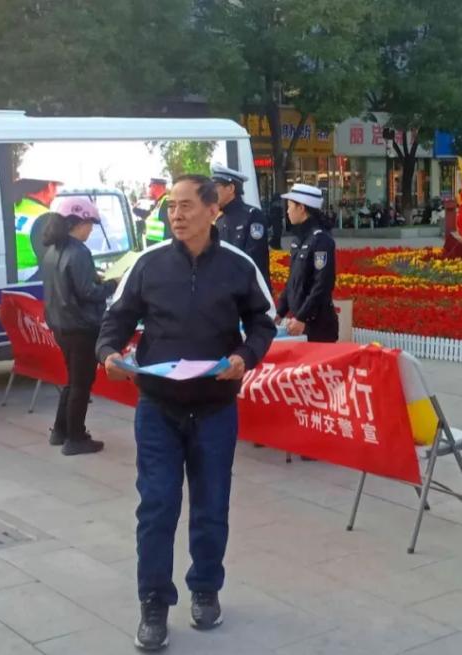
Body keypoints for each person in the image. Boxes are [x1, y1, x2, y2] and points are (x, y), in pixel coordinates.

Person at [96, 175, 275, 651]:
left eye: (186, 205)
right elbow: (116, 318)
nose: (176, 215)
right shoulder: (149, 264)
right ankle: (154, 602)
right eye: (171, 206)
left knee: (211, 505)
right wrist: (109, 353)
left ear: (213, 210)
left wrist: (245, 356)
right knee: (156, 506)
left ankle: (205, 589)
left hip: (215, 408)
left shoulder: (238, 265)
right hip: (158, 406)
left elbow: (264, 321)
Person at [39, 196, 117, 456]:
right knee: (81, 383)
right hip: (81, 326)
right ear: (77, 223)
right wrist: (112, 284)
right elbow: (88, 292)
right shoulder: (79, 251)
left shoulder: (52, 250)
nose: (90, 230)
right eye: (89, 224)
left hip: (61, 324)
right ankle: (76, 437)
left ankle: (60, 431)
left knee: (72, 380)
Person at [276, 183, 338, 343]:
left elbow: (322, 285)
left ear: (301, 208)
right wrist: (279, 312)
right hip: (300, 322)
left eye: (290, 206)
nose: (287, 211)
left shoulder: (321, 240)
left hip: (318, 326)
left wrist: (302, 317)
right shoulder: (298, 239)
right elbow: (293, 282)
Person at [211, 164, 271, 289]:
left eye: (215, 186)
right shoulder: (220, 220)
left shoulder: (253, 216)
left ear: (231, 188)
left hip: (250, 291)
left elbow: (253, 260)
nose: (212, 192)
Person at [13, 171, 63, 281]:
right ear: (50, 186)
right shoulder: (46, 217)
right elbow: (56, 264)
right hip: (33, 286)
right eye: (55, 187)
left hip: (6, 285)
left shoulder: (11, 209)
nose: (56, 193)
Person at [140, 177, 170, 246]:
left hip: (162, 248)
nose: (149, 190)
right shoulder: (158, 203)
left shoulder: (166, 202)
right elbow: (150, 216)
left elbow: (170, 229)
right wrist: (136, 210)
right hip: (155, 247)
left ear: (154, 187)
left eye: (150, 187)